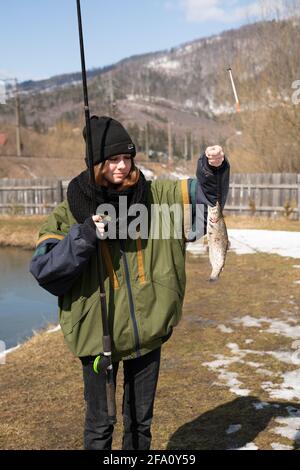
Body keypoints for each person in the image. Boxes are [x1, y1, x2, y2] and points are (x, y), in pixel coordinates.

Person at [29, 115, 230, 450]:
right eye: (112, 160)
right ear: (95, 163)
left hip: (149, 332)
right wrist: (84, 236)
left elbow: (208, 198)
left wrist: (213, 169)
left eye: (127, 158)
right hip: (97, 337)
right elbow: (45, 271)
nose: (121, 166)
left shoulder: (157, 196)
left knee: (140, 426)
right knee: (100, 427)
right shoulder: (68, 212)